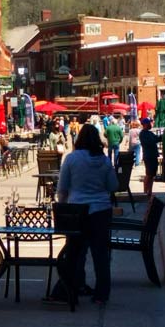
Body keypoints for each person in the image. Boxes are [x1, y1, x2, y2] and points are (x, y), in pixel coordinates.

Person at [54, 124, 118, 305]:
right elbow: (113, 186)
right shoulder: (104, 161)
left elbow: (63, 188)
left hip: (76, 211)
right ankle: (101, 294)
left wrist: (63, 206)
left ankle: (71, 287)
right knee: (100, 255)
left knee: (74, 253)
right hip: (100, 210)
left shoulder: (72, 159)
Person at [139, 118, 161, 200]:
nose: (150, 125)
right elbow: (150, 142)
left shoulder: (150, 133)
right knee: (148, 174)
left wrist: (163, 136)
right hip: (148, 156)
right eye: (149, 123)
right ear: (145, 124)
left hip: (153, 156)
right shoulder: (143, 134)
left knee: (152, 175)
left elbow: (157, 139)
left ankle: (150, 191)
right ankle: (145, 192)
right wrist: (155, 139)